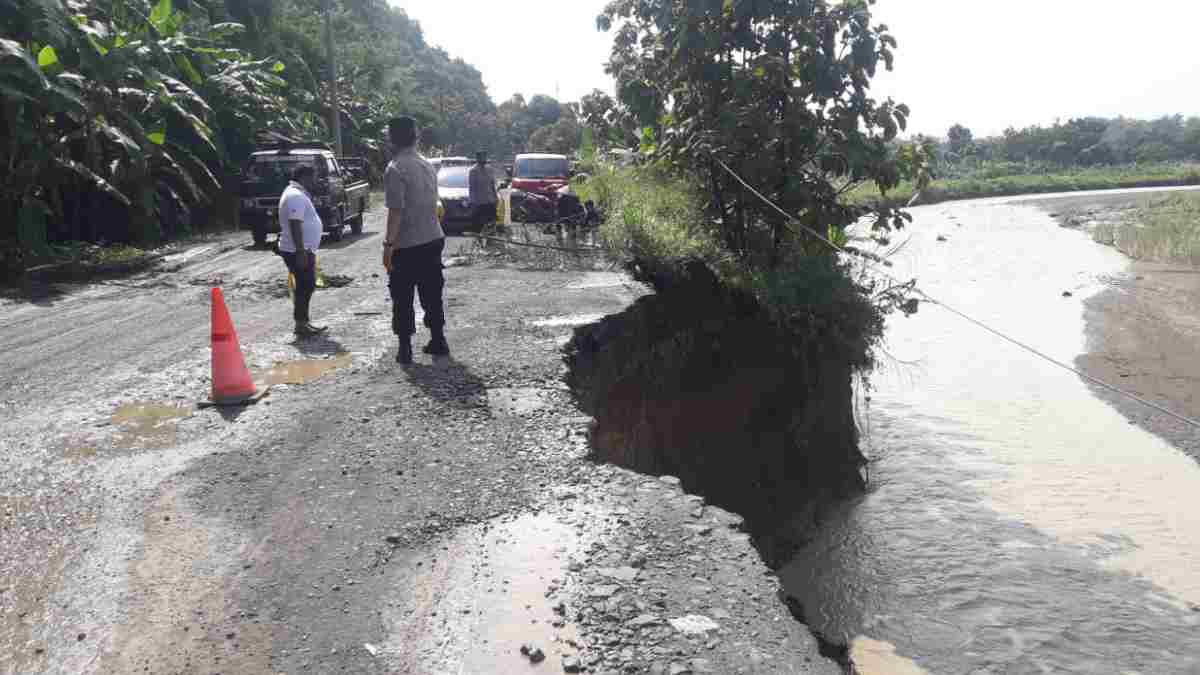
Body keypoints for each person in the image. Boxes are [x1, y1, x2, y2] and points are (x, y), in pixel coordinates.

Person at [383, 116, 448, 364]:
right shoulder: (426, 164)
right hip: (433, 238)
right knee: (432, 291)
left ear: (392, 138)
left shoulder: (395, 168)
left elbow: (396, 212)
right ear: (415, 137)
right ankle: (438, 339)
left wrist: (388, 246)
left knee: (402, 295)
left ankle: (405, 347)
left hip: (407, 244)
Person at [278, 164, 328, 337]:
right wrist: (300, 251)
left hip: (301, 250)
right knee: (305, 286)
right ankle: (301, 325)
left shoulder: (297, 194)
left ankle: (303, 323)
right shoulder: (295, 196)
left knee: (306, 286)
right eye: (313, 177)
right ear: (304, 177)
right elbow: (294, 223)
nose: (315, 181)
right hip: (297, 251)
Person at [467, 151, 498, 230]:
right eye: (481, 158)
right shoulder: (473, 171)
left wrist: (496, 198)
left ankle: (491, 241)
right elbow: (472, 188)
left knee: (491, 226)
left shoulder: (490, 169)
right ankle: (478, 241)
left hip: (490, 202)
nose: (483, 160)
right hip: (479, 203)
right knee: (478, 227)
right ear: (477, 159)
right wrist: (472, 202)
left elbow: (493, 185)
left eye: (484, 157)